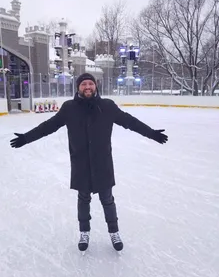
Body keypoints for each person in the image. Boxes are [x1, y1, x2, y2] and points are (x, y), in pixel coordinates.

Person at [10, 73, 168, 253]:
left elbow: (129, 122)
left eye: (90, 84)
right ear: (78, 87)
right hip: (81, 163)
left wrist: (152, 134)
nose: (87, 87)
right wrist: (26, 138)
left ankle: (114, 232)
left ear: (96, 86)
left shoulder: (107, 106)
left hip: (102, 163)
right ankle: (84, 232)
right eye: (83, 84)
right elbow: (48, 126)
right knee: (83, 199)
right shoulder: (69, 108)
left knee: (107, 200)